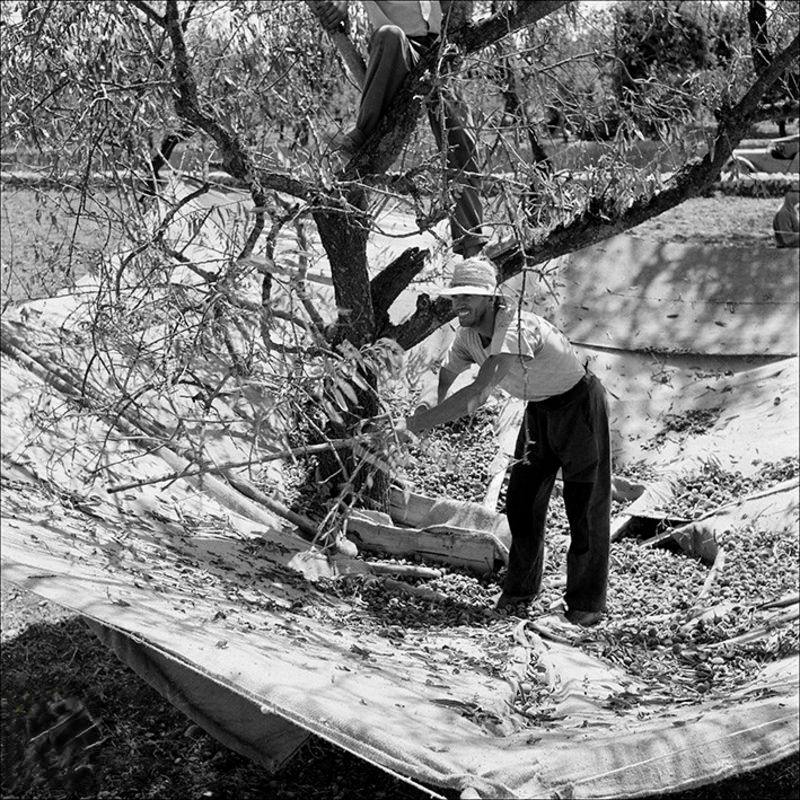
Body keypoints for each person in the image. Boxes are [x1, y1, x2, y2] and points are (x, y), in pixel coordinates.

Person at [404, 258, 612, 626]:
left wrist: (421, 424)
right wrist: (427, 407)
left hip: (578, 407)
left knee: (585, 505)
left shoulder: (515, 326)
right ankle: (520, 590)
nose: (459, 304)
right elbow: (448, 374)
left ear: (489, 298)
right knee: (522, 503)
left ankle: (586, 604)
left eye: (468, 296)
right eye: (456, 297)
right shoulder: (468, 334)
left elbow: (480, 391)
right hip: (538, 411)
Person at [315, 0, 485, 257]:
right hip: (401, 48)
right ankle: (363, 136)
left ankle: (471, 241)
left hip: (441, 48)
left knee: (459, 131)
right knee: (389, 35)